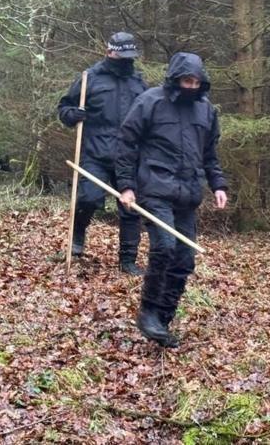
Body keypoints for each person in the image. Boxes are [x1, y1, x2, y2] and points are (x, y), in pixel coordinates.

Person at [115, 51, 228, 348]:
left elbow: (210, 155)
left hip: (188, 194)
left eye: (195, 81)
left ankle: (163, 319)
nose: (190, 86)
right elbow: (126, 143)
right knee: (164, 246)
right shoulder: (150, 101)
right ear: (175, 78)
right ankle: (148, 311)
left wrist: (218, 185)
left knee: (184, 259)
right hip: (154, 188)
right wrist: (126, 186)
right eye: (186, 80)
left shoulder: (206, 111)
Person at [58, 32, 148, 275]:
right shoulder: (90, 78)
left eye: (130, 56)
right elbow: (64, 107)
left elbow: (150, 118)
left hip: (128, 157)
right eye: (121, 55)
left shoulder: (139, 83)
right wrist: (71, 115)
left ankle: (128, 259)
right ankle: (77, 237)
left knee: (130, 208)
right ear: (110, 52)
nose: (125, 61)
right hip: (94, 153)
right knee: (88, 198)